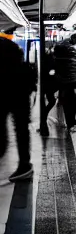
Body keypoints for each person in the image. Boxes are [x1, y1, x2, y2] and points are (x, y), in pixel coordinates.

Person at [0, 31, 35, 181]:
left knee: (5, 126)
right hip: (21, 89)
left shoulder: (5, 46)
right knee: (21, 128)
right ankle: (25, 165)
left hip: (9, 90)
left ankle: (23, 165)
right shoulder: (10, 45)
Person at [53, 31, 76, 133]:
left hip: (63, 80)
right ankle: (70, 123)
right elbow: (74, 66)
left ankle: (67, 122)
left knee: (65, 101)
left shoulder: (62, 47)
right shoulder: (70, 48)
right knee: (71, 101)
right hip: (70, 81)